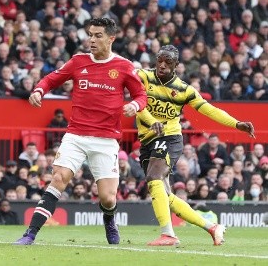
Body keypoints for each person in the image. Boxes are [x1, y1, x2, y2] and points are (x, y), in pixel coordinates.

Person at [15, 18, 148, 245]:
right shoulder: (78, 61)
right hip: (76, 135)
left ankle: (109, 219)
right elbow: (51, 79)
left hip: (106, 140)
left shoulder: (124, 66)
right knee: (58, 178)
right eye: (90, 34)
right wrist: (38, 90)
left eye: (98, 35)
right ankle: (30, 234)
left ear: (111, 38)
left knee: (107, 198)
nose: (92, 40)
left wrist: (134, 106)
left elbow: (141, 95)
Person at [135, 45, 255, 246]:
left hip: (169, 138)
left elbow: (209, 110)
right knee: (164, 195)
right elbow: (137, 104)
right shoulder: (143, 77)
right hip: (147, 140)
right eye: (160, 61)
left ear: (176, 65)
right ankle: (213, 227)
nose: (162, 65)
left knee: (154, 177)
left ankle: (168, 235)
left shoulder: (184, 90)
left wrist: (236, 123)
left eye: (168, 62)